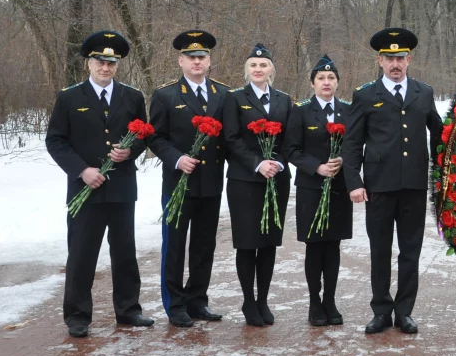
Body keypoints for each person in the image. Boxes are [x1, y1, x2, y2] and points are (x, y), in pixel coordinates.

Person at [45, 30, 153, 338]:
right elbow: (55, 140)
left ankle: (129, 310)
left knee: (125, 252)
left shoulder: (132, 96)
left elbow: (144, 135)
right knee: (81, 253)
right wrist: (82, 170)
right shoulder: (69, 97)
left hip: (121, 188)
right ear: (88, 64)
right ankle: (77, 315)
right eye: (100, 62)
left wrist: (131, 151)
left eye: (111, 63)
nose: (105, 68)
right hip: (85, 189)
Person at [343, 28, 443, 335]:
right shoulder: (365, 95)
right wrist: (354, 181)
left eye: (400, 58)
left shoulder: (423, 92)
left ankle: (404, 312)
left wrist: (444, 173)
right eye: (389, 59)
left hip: (413, 185)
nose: (395, 64)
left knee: (410, 251)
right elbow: (352, 142)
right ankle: (381, 311)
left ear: (409, 59)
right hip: (379, 186)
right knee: (380, 250)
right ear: (380, 61)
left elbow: (440, 135)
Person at [149, 30, 229, 327]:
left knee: (204, 246)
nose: (197, 61)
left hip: (210, 183)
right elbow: (155, 137)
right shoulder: (166, 95)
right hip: (178, 184)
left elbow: (229, 138)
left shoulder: (223, 94)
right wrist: (177, 158)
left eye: (202, 57)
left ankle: (197, 300)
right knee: (174, 246)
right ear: (180, 61)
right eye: (191, 57)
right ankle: (175, 305)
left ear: (209, 61)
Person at [222, 43, 292, 327]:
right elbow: (230, 138)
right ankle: (248, 301)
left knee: (269, 242)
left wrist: (277, 163)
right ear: (247, 70)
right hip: (245, 180)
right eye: (253, 65)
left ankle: (263, 299)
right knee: (248, 242)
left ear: (271, 69)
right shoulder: (234, 98)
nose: (258, 69)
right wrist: (258, 163)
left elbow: (290, 139)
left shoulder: (284, 100)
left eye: (263, 65)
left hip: (277, 178)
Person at [285, 54, 353, 327]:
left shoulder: (348, 110)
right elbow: (291, 150)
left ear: (337, 82)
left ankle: (330, 301)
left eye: (331, 78)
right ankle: (315, 302)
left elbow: (356, 145)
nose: (326, 82)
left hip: (339, 187)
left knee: (333, 245)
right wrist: (317, 167)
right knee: (314, 246)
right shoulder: (301, 111)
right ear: (312, 83)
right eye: (321, 78)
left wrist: (343, 160)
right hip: (311, 188)